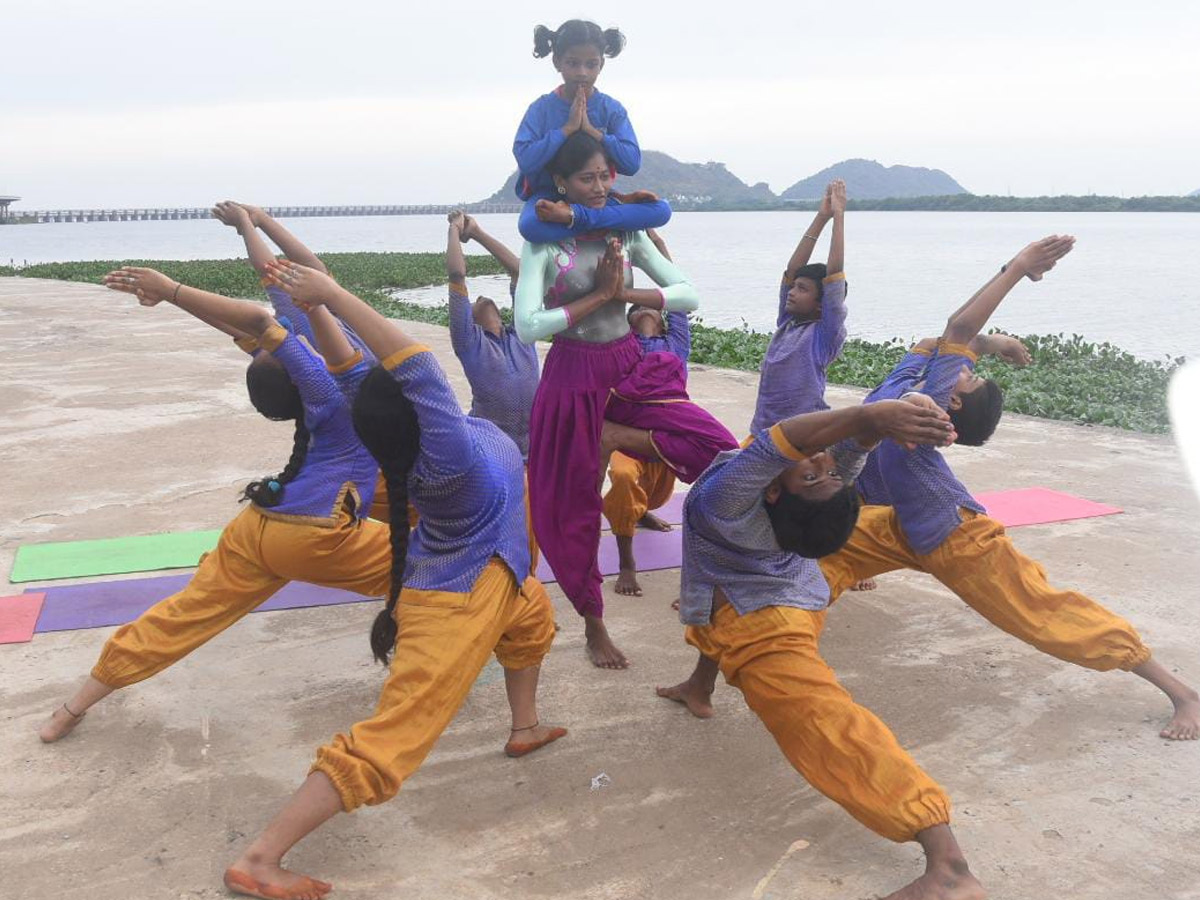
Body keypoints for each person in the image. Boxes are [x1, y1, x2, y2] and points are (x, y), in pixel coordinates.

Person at [219, 259, 566, 900]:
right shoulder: (451, 453)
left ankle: (526, 726)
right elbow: (412, 363)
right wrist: (333, 294)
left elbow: (358, 363)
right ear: (422, 410)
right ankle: (262, 858)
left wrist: (316, 299)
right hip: (457, 595)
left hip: (502, 573)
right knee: (394, 738)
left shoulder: (398, 432)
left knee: (533, 627)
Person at [819, 235, 1200, 742]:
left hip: (956, 537)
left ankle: (1181, 692)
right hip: (900, 525)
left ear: (951, 405)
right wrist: (997, 337)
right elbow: (956, 340)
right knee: (812, 554)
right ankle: (760, 639)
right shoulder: (913, 374)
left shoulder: (925, 406)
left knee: (1043, 616)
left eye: (968, 380)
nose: (965, 371)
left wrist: (1019, 267)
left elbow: (959, 328)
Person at [37, 267, 389, 745]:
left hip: (259, 526)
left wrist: (183, 293)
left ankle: (70, 710)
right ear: (301, 375)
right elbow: (256, 321)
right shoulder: (332, 392)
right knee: (444, 565)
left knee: (181, 616)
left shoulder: (309, 392)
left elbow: (248, 330)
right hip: (318, 533)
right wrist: (172, 288)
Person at [659, 396, 987, 900]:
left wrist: (868, 416)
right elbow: (842, 457)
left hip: (766, 625)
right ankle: (698, 687)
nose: (817, 463)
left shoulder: (724, 501)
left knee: (829, 727)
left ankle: (947, 863)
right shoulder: (779, 499)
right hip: (782, 591)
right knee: (712, 613)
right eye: (819, 473)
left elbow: (778, 443)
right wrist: (872, 430)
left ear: (770, 494)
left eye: (811, 477)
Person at [515, 133, 738, 669]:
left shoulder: (627, 231)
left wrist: (626, 295)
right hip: (571, 375)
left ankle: (620, 440)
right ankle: (593, 623)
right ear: (562, 184)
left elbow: (687, 293)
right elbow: (526, 325)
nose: (597, 188)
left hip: (627, 365)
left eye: (605, 176)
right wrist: (595, 297)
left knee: (719, 448)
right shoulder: (545, 244)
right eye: (586, 178)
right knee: (573, 507)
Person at [513, 19, 671, 242]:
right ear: (557, 62)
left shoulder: (611, 110)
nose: (582, 73)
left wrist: (593, 132)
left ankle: (576, 217)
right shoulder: (541, 109)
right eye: (573, 63)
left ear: (601, 65)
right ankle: (596, 220)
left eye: (591, 64)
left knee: (662, 210)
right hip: (550, 197)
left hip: (595, 198)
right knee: (530, 226)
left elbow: (632, 163)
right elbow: (526, 160)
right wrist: (566, 129)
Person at [601, 232, 692, 596]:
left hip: (669, 432)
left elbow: (675, 287)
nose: (642, 309)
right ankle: (627, 562)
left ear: (661, 314)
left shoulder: (676, 343)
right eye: (634, 307)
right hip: (627, 434)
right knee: (623, 478)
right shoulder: (622, 343)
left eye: (649, 305)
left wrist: (654, 247)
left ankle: (642, 512)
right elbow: (611, 301)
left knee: (661, 492)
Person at [749, 179, 849, 434]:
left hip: (802, 436)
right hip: (762, 432)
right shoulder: (787, 322)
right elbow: (792, 270)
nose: (791, 293)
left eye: (803, 289)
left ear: (822, 304)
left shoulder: (824, 334)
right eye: (793, 287)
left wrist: (839, 216)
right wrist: (821, 217)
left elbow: (834, 273)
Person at [444, 211, 540, 459]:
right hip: (491, 454)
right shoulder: (470, 343)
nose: (481, 298)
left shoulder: (522, 334)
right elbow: (457, 276)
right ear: (470, 320)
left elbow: (519, 272)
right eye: (474, 300)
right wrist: (454, 230)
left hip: (534, 452)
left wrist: (477, 233)